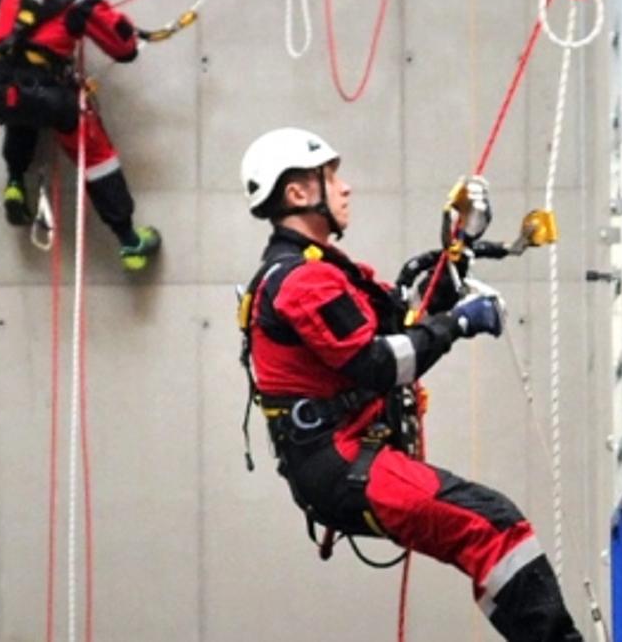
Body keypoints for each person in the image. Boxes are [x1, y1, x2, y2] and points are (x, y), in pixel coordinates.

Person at [235, 127, 582, 642]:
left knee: (490, 527)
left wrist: (452, 257)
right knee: (491, 527)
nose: (345, 188)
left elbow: (401, 321)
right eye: (332, 178)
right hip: (340, 460)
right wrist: (458, 324)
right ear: (299, 193)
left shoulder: (324, 271)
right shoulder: (302, 281)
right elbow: (378, 363)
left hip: (346, 456)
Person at [0, 0, 161, 271]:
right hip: (49, 95)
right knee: (98, 157)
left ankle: (16, 180)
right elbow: (123, 48)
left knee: (21, 113)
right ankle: (129, 241)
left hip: (0, 88)